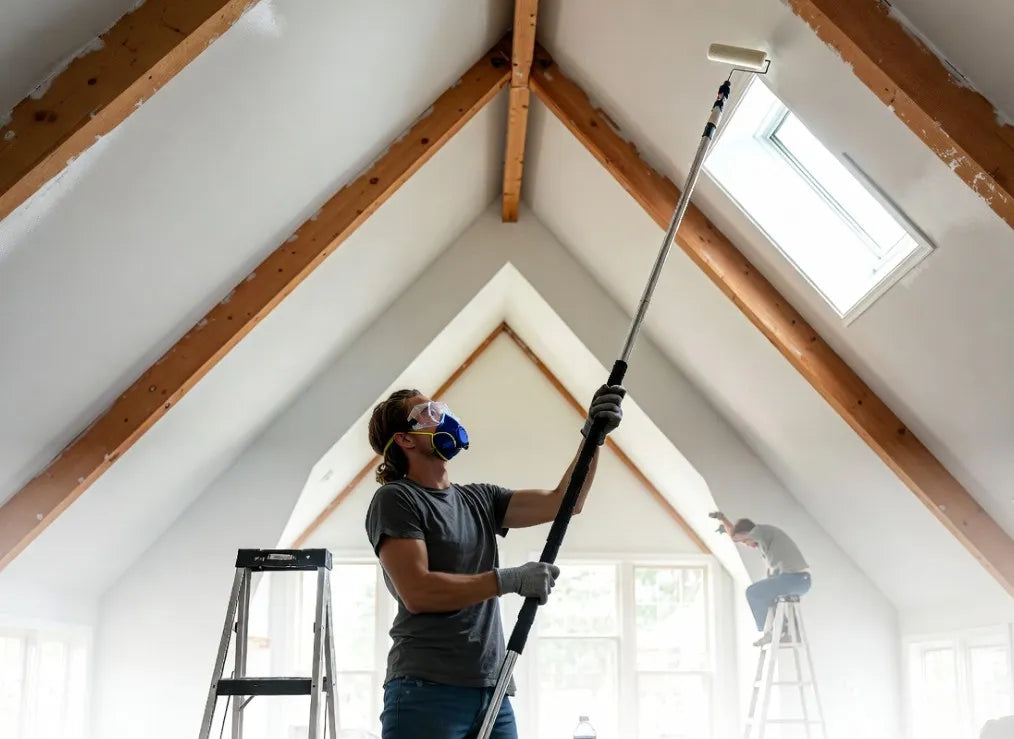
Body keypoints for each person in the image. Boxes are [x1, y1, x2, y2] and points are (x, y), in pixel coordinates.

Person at [364, 384, 625, 739]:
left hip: (493, 689)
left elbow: (566, 501)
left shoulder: (480, 499)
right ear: (406, 440)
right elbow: (418, 592)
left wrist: (592, 437)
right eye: (428, 413)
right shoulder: (396, 499)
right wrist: (510, 580)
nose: (443, 417)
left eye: (441, 408)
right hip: (426, 690)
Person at [711, 512, 812, 646]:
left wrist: (724, 520)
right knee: (767, 594)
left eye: (744, 541)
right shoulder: (767, 547)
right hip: (798, 580)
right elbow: (738, 536)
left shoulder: (762, 531)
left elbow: (737, 536)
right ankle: (789, 631)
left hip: (796, 579)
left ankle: (773, 632)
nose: (746, 544)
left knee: (753, 592)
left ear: (748, 533)